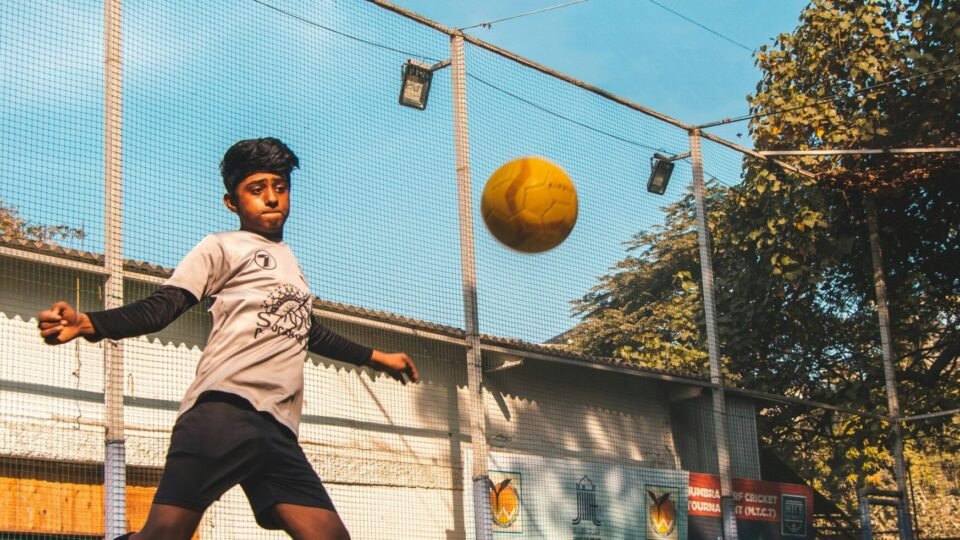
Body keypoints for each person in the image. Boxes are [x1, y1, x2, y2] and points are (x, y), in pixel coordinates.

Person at [37, 138, 418, 540]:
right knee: (163, 536)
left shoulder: (290, 264)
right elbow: (162, 308)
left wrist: (377, 357)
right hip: (223, 415)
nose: (271, 198)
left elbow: (304, 328)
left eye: (280, 187)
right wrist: (90, 324)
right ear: (232, 203)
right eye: (257, 189)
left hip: (276, 431)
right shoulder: (221, 246)